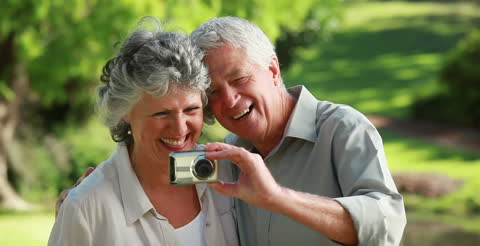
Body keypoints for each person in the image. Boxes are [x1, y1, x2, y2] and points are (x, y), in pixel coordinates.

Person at [58, 16, 407, 246]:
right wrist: (83, 207)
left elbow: (388, 226)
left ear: (273, 69)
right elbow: (145, 161)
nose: (230, 100)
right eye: (212, 93)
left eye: (239, 79)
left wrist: (277, 198)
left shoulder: (341, 130)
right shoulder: (219, 160)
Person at [49, 17, 239, 246]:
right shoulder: (88, 206)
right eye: (161, 113)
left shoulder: (225, 173)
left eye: (191, 109)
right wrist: (80, 205)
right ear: (125, 113)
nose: (179, 128)